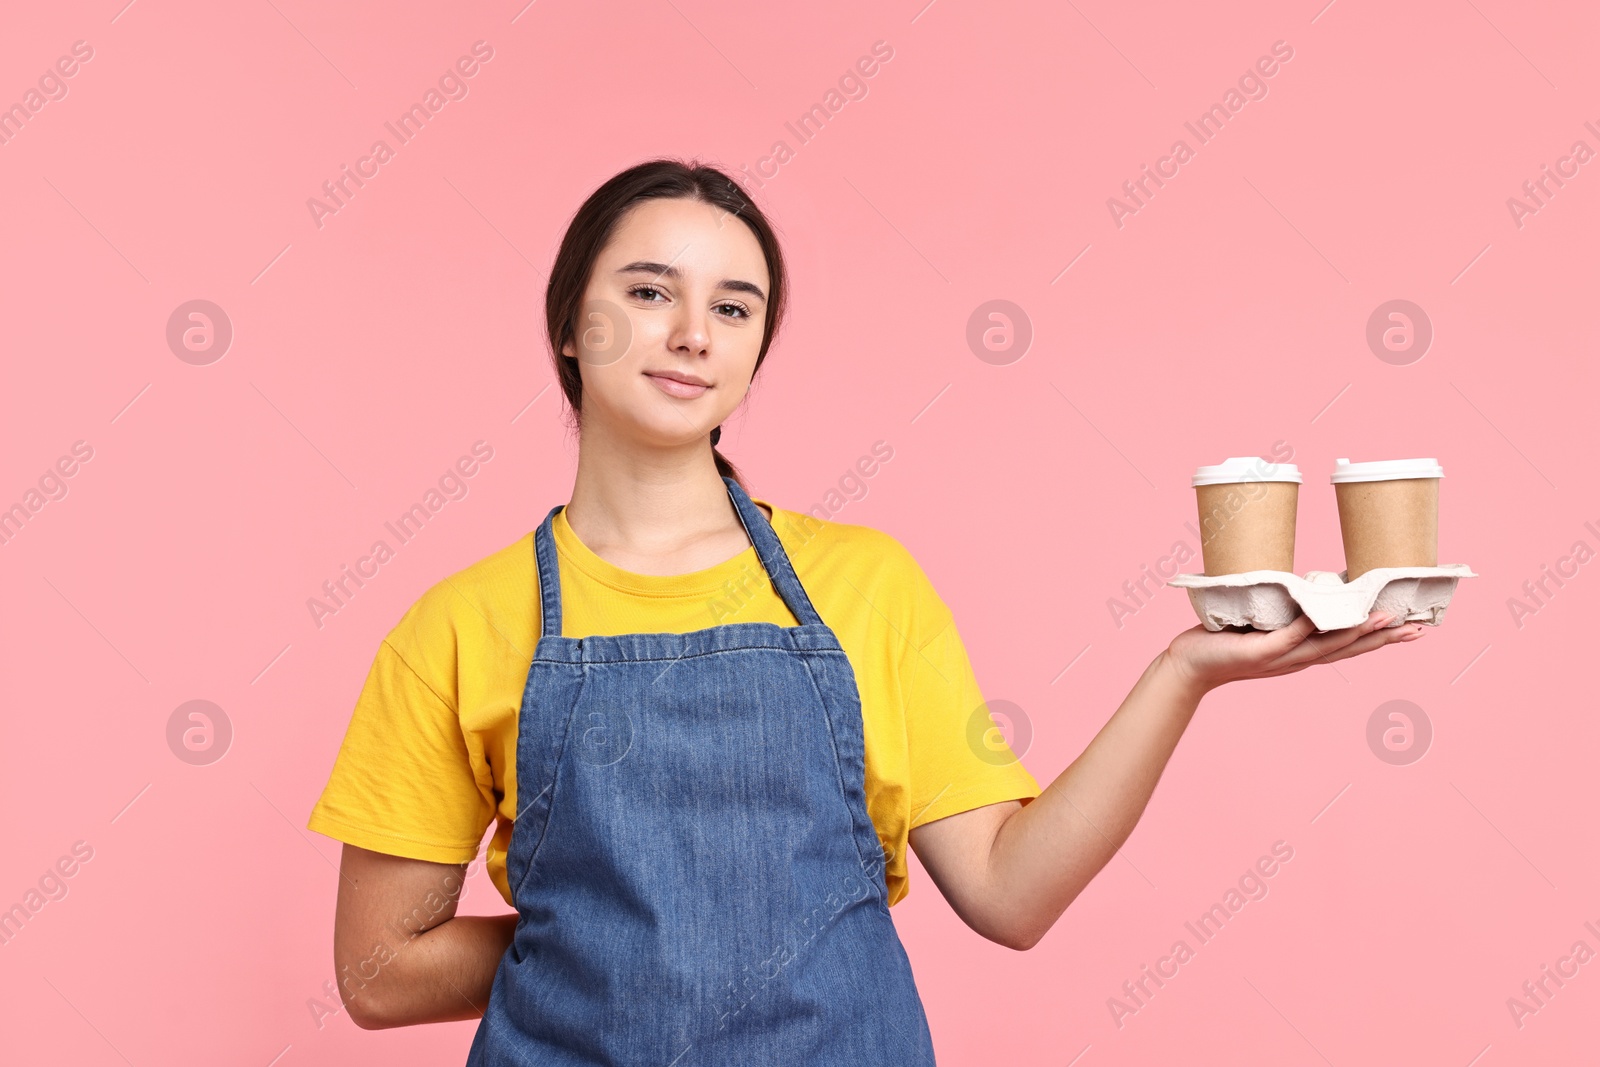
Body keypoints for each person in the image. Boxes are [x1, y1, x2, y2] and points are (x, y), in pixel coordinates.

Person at [307, 158, 1424, 1064]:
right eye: (649, 291)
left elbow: (1007, 890)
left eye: (732, 306)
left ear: (752, 350)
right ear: (569, 324)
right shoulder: (455, 626)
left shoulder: (865, 586)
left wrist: (1186, 670)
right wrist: (615, 948)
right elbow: (374, 974)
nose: (692, 330)